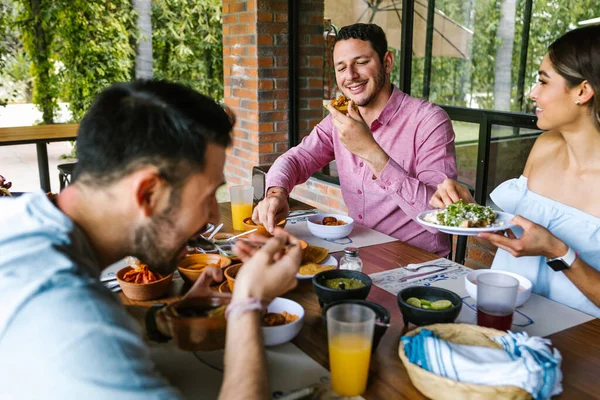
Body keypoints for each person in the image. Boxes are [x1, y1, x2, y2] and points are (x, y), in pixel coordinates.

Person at [0, 81, 303, 398]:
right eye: (208, 196)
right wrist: (248, 301)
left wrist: (163, 319)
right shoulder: (74, 323)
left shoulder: (21, 220)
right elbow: (82, 328)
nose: (214, 218)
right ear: (148, 194)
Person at [430, 25, 600, 317]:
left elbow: (548, 247)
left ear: (582, 91)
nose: (533, 93)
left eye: (543, 82)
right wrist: (472, 214)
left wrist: (559, 252)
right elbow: (518, 237)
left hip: (578, 341)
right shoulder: (544, 147)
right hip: (505, 314)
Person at [253, 23, 457, 257]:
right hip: (357, 252)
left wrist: (371, 152)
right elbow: (298, 158)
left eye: (361, 62)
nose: (350, 76)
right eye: (341, 68)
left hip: (418, 263)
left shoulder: (430, 121)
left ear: (387, 62)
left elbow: (439, 217)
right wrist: (276, 193)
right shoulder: (339, 119)